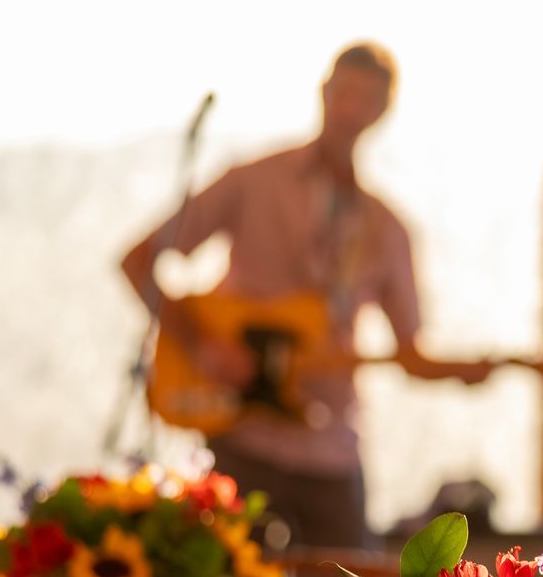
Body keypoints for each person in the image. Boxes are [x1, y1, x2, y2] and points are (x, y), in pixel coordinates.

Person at [121, 42, 471, 549]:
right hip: (242, 437)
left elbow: (411, 353)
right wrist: (204, 345)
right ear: (324, 92)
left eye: (367, 99)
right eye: (344, 92)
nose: (351, 109)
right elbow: (140, 260)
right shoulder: (253, 180)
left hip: (329, 446)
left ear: (382, 113)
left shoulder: (386, 227)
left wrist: (478, 371)